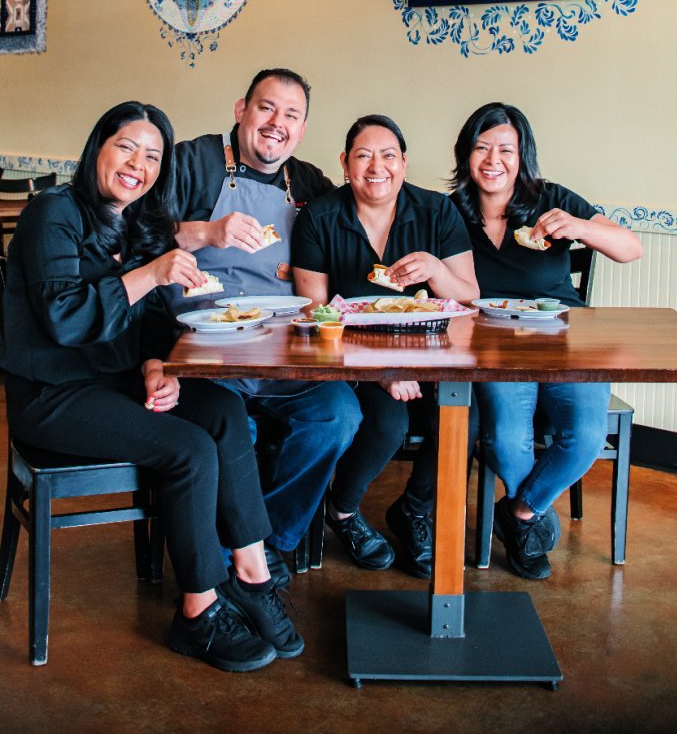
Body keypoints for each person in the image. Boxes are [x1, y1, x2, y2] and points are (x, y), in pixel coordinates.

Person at [0, 101, 303, 673]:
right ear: (98, 147)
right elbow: (66, 318)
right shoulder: (52, 213)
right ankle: (197, 614)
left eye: (153, 156)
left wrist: (158, 364)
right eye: (126, 147)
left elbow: (154, 318)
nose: (138, 164)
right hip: (51, 396)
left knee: (222, 412)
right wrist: (154, 270)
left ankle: (252, 576)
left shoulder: (138, 221)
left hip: (113, 382)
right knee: (186, 448)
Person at [158, 70, 362, 577]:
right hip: (200, 350)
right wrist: (207, 231)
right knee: (235, 429)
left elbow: (359, 225)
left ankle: (266, 540)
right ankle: (235, 553)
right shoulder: (193, 161)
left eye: (291, 115)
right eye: (267, 109)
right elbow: (138, 232)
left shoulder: (309, 183)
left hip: (280, 353)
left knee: (339, 414)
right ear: (240, 110)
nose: (277, 124)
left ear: (302, 129)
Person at [450, 102, 643, 581]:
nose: (493, 159)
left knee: (586, 437)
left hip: (564, 340)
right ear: (466, 154)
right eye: (481, 147)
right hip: (491, 343)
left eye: (506, 149)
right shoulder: (449, 212)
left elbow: (630, 249)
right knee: (506, 438)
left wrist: (579, 228)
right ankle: (532, 520)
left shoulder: (550, 199)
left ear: (523, 156)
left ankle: (518, 514)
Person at [292, 114, 479, 578]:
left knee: (465, 417)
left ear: (404, 162)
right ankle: (342, 511)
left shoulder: (437, 211)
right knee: (388, 423)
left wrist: (437, 271)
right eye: (363, 155)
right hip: (350, 362)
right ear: (344, 163)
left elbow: (470, 297)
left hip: (433, 357)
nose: (377, 167)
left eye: (388, 155)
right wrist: (383, 370)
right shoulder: (319, 217)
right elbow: (318, 315)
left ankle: (413, 510)